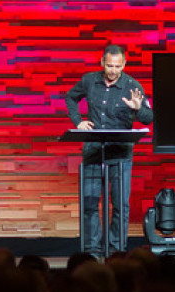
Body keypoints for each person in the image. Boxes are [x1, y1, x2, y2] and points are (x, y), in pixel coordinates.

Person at [65, 44, 153, 257]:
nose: (113, 70)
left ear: (124, 64)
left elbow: (148, 118)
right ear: (102, 62)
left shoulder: (133, 86)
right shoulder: (89, 80)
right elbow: (70, 97)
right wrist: (78, 122)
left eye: (117, 66)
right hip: (94, 151)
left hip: (120, 152)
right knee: (90, 202)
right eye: (109, 65)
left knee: (120, 205)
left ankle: (116, 250)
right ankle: (92, 250)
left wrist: (137, 108)